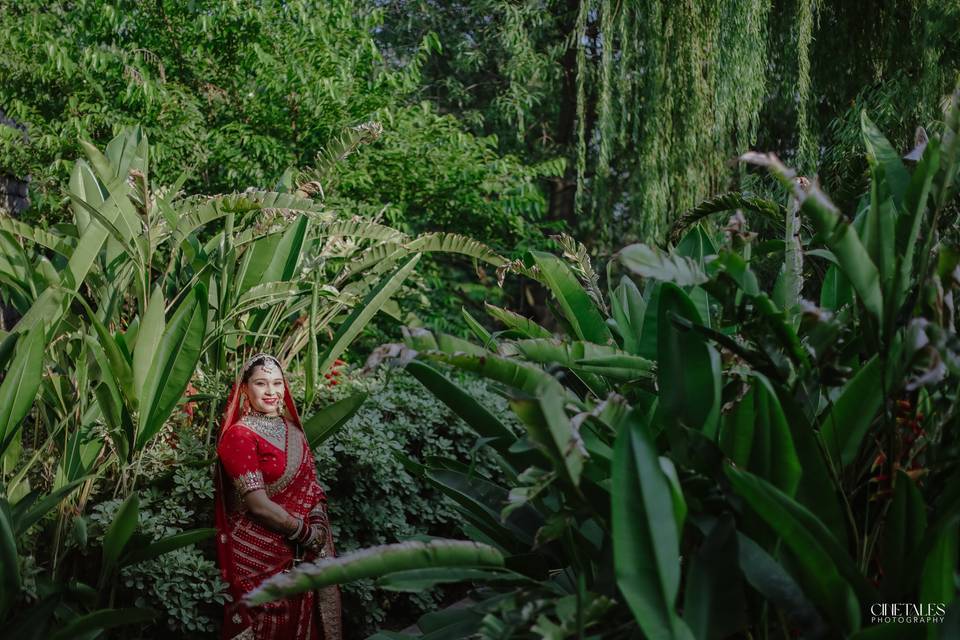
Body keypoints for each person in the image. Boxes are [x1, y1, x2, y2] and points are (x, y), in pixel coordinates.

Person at [214, 352, 342, 640]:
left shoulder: (294, 432)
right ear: (244, 389)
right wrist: (307, 534)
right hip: (256, 555)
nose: (271, 392)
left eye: (277, 383)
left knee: (303, 623)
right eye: (261, 383)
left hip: (302, 552)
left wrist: (318, 521)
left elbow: (312, 488)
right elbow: (257, 504)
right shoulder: (239, 436)